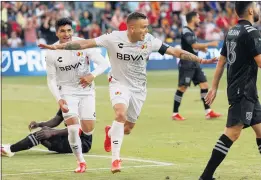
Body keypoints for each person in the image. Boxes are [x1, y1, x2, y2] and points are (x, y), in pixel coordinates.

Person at [38, 12, 217, 174]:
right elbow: (85, 43)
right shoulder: (113, 38)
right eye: (144, 27)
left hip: (139, 88)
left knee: (128, 128)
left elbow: (175, 51)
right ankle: (115, 159)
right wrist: (58, 48)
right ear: (132, 28)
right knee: (120, 113)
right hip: (118, 83)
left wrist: (200, 59)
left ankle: (110, 133)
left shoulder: (149, 41)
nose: (146, 30)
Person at [199, 2, 261, 180]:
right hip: (243, 91)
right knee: (232, 132)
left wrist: (214, 86)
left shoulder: (231, 31)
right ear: (250, 10)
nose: (257, 9)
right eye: (256, 6)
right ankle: (205, 176)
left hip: (243, 90)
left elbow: (221, 61)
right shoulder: (252, 32)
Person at [45, 18, 109, 173]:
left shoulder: (83, 44)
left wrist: (92, 75)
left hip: (86, 91)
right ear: (57, 32)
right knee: (73, 129)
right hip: (67, 92)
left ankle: (109, 132)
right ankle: (81, 162)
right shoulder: (52, 52)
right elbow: (51, 80)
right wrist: (59, 98)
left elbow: (104, 64)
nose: (66, 34)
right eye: (62, 31)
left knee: (88, 129)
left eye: (69, 30)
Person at [172, 11, 221, 121]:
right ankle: (175, 113)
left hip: (195, 63)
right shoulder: (186, 30)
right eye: (198, 17)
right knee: (182, 87)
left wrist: (200, 48)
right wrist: (209, 44)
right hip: (187, 63)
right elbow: (193, 45)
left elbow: (192, 47)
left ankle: (208, 112)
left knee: (204, 85)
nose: (199, 19)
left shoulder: (191, 31)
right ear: (193, 19)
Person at [1, 109, 92, 156]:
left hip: (82, 143)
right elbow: (56, 120)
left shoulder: (80, 105)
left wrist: (52, 133)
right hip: (70, 138)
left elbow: (77, 128)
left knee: (43, 135)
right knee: (43, 132)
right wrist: (39, 124)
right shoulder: (65, 101)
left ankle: (10, 150)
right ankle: (10, 149)